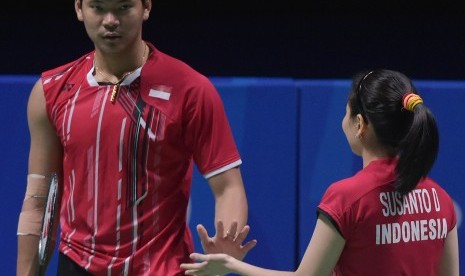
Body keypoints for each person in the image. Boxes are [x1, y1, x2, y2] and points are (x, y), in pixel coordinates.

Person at [16, 0, 252, 275]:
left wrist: (226, 249)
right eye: (98, 7)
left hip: (161, 268)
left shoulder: (190, 90)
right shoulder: (51, 91)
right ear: (79, 8)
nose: (110, 20)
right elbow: (40, 197)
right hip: (77, 265)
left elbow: (228, 187)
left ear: (146, 8)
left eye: (124, 7)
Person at [180, 69, 460, 276]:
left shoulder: (347, 198)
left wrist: (230, 264)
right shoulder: (441, 200)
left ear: (360, 124)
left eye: (346, 113)